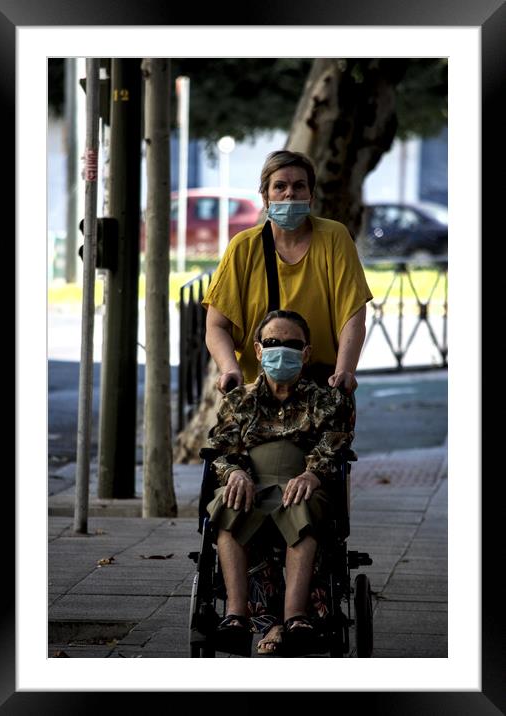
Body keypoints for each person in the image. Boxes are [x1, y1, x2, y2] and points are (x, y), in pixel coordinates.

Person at [205, 310, 355, 655]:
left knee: (302, 506)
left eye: (292, 344)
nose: (281, 350)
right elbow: (222, 448)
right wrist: (235, 473)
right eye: (272, 343)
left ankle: (294, 618)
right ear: (258, 351)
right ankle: (235, 616)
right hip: (251, 483)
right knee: (228, 502)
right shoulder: (240, 400)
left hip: (300, 483)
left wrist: (312, 474)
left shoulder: (324, 401)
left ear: (306, 352)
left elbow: (334, 443)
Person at [202, 149, 373, 394]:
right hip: (257, 393)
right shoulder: (243, 247)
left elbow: (353, 316)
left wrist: (345, 371)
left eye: (299, 186)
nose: (290, 193)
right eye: (279, 186)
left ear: (311, 196)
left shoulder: (334, 238)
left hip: (323, 389)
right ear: (265, 197)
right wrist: (230, 369)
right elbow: (217, 325)